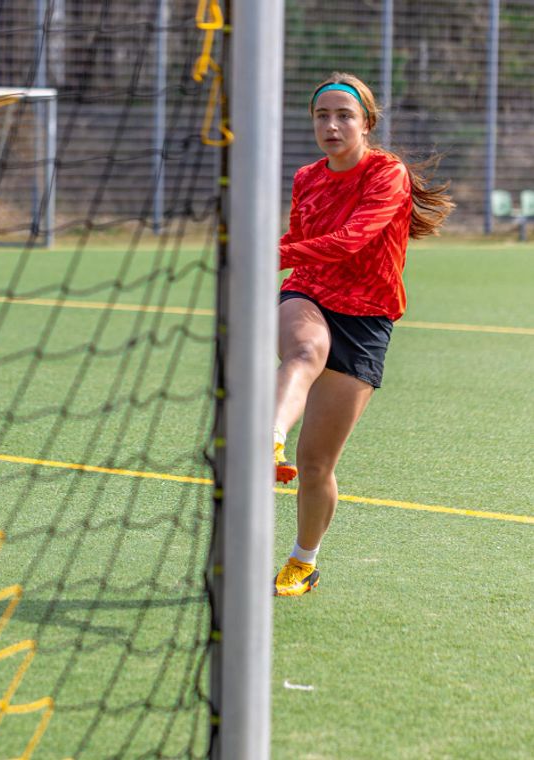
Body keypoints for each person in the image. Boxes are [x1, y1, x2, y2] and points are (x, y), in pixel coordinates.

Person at [271, 72, 454, 597]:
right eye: (321, 115)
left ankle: (303, 561)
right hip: (309, 293)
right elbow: (301, 242)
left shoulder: (387, 173)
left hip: (368, 316)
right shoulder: (307, 176)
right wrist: (274, 252)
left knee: (316, 464)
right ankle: (269, 436)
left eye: (343, 115)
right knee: (305, 350)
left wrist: (272, 253)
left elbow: (352, 241)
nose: (331, 125)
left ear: (366, 123)